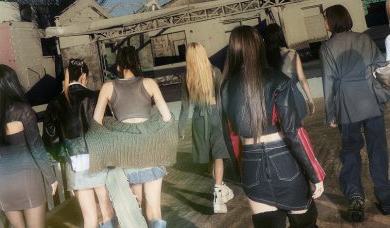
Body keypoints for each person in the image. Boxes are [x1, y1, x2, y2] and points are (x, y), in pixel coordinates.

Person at [221, 26, 324, 228]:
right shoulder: (278, 80)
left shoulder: (226, 88)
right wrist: (315, 173)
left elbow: (230, 137)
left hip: (251, 166)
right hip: (285, 162)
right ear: (259, 47)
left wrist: (241, 173)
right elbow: (294, 132)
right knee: (305, 224)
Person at [320, 4, 390, 221]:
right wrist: (385, 93)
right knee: (378, 150)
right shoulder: (365, 39)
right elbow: (382, 67)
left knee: (350, 151)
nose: (324, 23)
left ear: (331, 21)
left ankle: (355, 197)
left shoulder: (327, 47)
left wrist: (331, 114)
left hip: (346, 106)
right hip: (371, 102)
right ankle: (386, 198)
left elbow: (328, 82)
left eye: (325, 19)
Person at [93, 45, 171, 228]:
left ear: (118, 66)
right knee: (154, 209)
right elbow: (167, 117)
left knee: (136, 205)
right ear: (137, 63)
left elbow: (96, 122)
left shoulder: (108, 87)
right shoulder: (149, 83)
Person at [43, 58, 116, 228]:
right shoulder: (95, 96)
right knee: (107, 212)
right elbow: (109, 127)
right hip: (99, 159)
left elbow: (50, 140)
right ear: (83, 76)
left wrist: (65, 157)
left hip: (75, 164)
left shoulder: (54, 103)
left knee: (89, 218)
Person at [0, 65, 58, 228]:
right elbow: (37, 149)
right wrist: (51, 178)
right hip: (28, 180)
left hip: (4, 184)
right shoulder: (23, 111)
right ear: (11, 84)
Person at [178, 42, 234, 214]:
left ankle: (221, 188)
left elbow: (185, 106)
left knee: (211, 157)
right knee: (218, 156)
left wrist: (180, 128)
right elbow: (223, 98)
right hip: (216, 115)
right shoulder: (215, 72)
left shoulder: (186, 77)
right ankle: (218, 193)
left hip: (198, 120)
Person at [261, 23, 315, 119]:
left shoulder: (263, 59)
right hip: (294, 99)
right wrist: (310, 101)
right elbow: (302, 80)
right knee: (298, 127)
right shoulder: (293, 54)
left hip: (274, 104)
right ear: (281, 37)